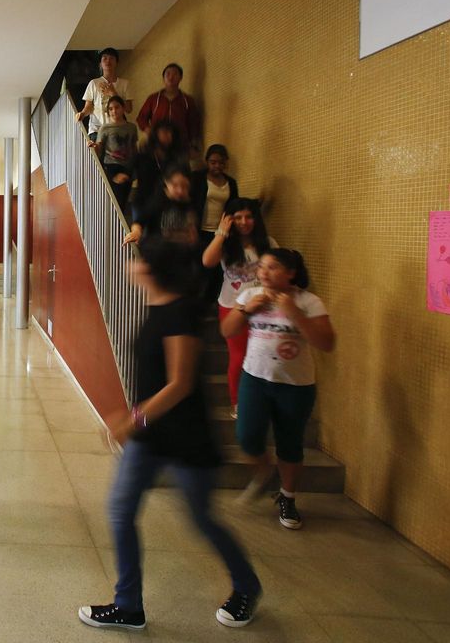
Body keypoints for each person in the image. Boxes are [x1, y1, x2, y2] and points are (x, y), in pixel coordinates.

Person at [79, 240, 261, 631]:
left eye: (140, 259)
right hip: (151, 437)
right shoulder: (157, 308)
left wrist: (133, 419)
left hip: (184, 438)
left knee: (202, 519)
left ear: (154, 269)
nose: (133, 264)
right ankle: (128, 606)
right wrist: (138, 422)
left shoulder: (180, 313)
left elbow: (179, 385)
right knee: (120, 511)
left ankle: (247, 585)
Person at [220, 248, 335, 529]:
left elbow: (326, 343)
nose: (264, 272)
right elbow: (227, 331)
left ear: (291, 272)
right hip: (255, 379)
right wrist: (248, 309)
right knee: (247, 436)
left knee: (290, 444)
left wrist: (295, 313)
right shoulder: (249, 295)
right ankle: (264, 472)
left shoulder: (309, 302)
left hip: (295, 386)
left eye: (272, 267)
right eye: (262, 267)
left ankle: (288, 497)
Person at [201, 198, 275, 418]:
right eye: (238, 217)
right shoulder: (226, 244)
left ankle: (263, 402)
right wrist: (221, 233)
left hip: (263, 307)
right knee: (239, 355)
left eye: (249, 216)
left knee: (264, 355)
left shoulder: (268, 242)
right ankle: (238, 403)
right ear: (230, 219)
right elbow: (207, 261)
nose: (244, 222)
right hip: (233, 306)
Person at [191, 144, 240, 300]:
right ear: (207, 162)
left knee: (218, 270)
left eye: (220, 162)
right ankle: (198, 304)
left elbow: (234, 205)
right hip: (199, 230)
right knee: (200, 267)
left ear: (225, 163)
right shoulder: (198, 178)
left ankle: (212, 302)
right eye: (213, 162)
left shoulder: (231, 183)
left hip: (220, 232)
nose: (217, 166)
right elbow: (190, 202)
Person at [123, 162, 198, 249]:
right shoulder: (157, 200)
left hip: (181, 255)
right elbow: (140, 221)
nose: (180, 191)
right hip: (158, 253)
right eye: (175, 185)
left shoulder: (189, 203)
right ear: (166, 182)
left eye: (184, 186)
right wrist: (136, 233)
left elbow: (193, 233)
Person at [136, 62, 201, 159]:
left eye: (175, 74)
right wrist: (150, 131)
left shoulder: (187, 100)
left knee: (179, 171)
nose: (171, 77)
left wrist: (193, 145)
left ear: (180, 78)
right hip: (158, 144)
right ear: (163, 78)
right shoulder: (154, 99)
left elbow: (194, 124)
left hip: (180, 144)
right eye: (168, 74)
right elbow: (141, 118)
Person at [88, 95, 139, 209]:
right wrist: (93, 146)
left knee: (124, 201)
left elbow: (134, 148)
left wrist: (135, 168)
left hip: (128, 166)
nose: (114, 111)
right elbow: (99, 150)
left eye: (117, 107)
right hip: (111, 167)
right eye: (110, 109)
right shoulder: (104, 128)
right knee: (115, 202)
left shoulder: (131, 127)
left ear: (123, 108)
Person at [128, 119, 187, 215]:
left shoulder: (176, 157)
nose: (167, 136)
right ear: (156, 134)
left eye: (170, 133)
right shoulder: (144, 154)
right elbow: (130, 169)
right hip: (143, 200)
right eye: (163, 132)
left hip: (166, 204)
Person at [77, 47, 132, 141]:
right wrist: (82, 114)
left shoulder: (125, 83)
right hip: (97, 130)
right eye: (104, 58)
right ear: (100, 64)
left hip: (118, 129)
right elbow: (89, 107)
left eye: (111, 58)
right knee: (97, 154)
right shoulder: (94, 83)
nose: (108, 61)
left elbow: (128, 109)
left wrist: (113, 93)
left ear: (117, 62)